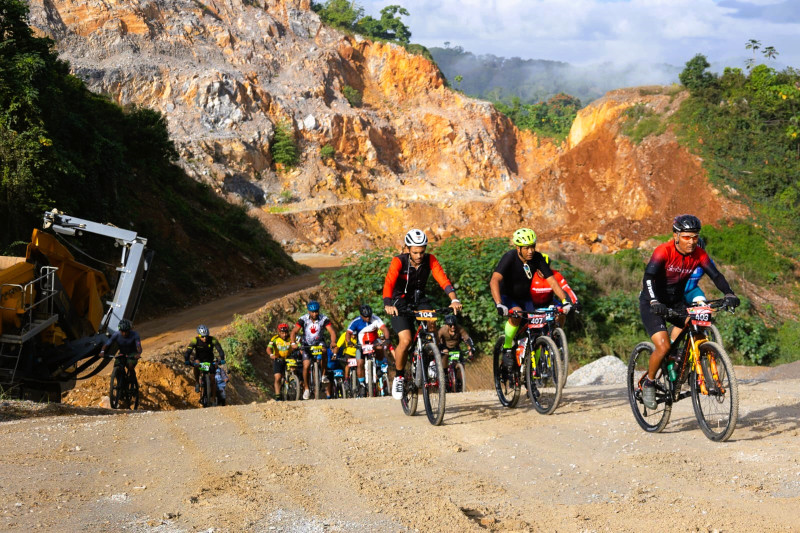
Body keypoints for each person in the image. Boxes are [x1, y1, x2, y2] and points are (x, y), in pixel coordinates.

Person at [639, 215, 739, 409]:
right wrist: (653, 300)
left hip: (676, 301)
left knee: (697, 323)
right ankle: (649, 383)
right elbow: (649, 277)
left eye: (694, 237)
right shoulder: (663, 251)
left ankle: (682, 364)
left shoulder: (699, 254)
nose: (691, 241)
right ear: (676, 235)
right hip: (653, 302)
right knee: (663, 346)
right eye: (686, 237)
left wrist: (729, 293)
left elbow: (716, 276)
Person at [383, 228, 462, 399]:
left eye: (422, 251)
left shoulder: (430, 259)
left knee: (431, 320)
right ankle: (399, 376)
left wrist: (454, 299)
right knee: (405, 340)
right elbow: (389, 282)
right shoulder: (399, 261)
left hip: (419, 300)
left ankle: (433, 360)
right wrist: (388, 303)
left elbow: (442, 279)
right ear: (407, 249)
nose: (419, 255)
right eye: (415, 252)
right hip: (399, 302)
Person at [489, 228, 571, 367]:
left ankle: (532, 376)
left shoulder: (537, 258)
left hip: (526, 298)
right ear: (518, 248)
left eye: (533, 246)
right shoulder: (509, 257)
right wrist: (499, 303)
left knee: (537, 332)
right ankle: (508, 347)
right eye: (526, 248)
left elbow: (552, 282)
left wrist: (564, 301)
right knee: (516, 315)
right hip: (507, 297)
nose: (531, 251)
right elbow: (494, 280)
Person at [290, 301, 337, 400]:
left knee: (324, 351)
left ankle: (323, 375)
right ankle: (306, 388)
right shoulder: (303, 319)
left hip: (319, 342)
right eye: (312, 312)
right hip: (306, 344)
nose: (315, 314)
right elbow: (294, 331)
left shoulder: (324, 319)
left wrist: (333, 342)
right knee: (306, 365)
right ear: (308, 311)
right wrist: (293, 343)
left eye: (316, 312)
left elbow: (332, 331)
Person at [344, 304, 391, 396]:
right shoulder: (356, 321)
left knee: (380, 347)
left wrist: (387, 338)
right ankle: (361, 384)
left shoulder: (376, 319)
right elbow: (348, 333)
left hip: (374, 342)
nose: (368, 318)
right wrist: (349, 341)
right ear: (361, 315)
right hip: (360, 345)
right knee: (360, 363)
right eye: (365, 317)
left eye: (369, 316)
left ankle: (379, 365)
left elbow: (384, 329)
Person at [529, 253, 580, 326]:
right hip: (532, 304)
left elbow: (566, 288)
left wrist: (576, 301)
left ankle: (557, 333)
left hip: (549, 303)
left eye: (546, 267)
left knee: (562, 311)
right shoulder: (531, 276)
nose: (543, 270)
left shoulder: (555, 275)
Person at [184, 324, 226, 395]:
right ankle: (197, 382)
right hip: (199, 359)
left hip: (209, 360)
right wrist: (187, 360)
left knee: (213, 380)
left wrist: (222, 358)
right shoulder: (195, 340)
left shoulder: (213, 339)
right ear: (199, 335)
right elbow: (188, 351)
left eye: (206, 336)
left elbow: (220, 350)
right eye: (202, 336)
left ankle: (213, 399)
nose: (204, 338)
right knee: (196, 365)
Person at [99, 318, 142, 383]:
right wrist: (102, 351)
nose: (124, 333)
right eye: (122, 331)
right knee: (117, 366)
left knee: (130, 365)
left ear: (129, 330)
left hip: (132, 353)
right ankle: (121, 384)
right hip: (122, 353)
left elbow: (138, 346)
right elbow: (107, 344)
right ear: (120, 330)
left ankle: (132, 379)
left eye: (126, 331)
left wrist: (138, 353)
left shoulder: (135, 335)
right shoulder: (116, 334)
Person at [267, 323, 292, 399]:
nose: (284, 335)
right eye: (282, 333)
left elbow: (297, 344)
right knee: (278, 377)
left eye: (286, 332)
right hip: (278, 359)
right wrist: (271, 354)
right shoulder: (274, 339)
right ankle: (278, 396)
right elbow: (268, 348)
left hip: (289, 358)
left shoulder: (291, 338)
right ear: (279, 332)